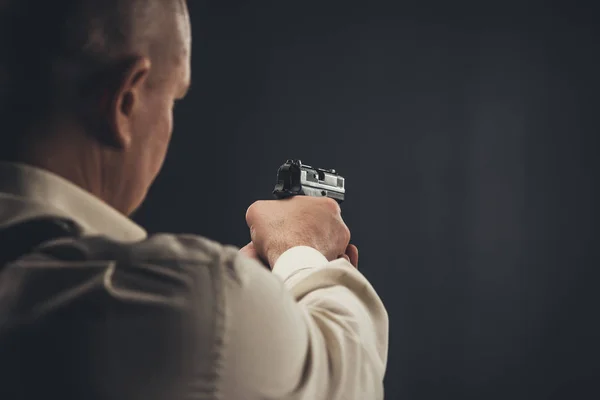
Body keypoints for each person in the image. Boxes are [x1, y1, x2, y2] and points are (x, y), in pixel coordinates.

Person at [0, 1, 388, 399]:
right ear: (126, 101)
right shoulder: (194, 301)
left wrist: (253, 307)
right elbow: (346, 377)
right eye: (173, 98)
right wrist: (302, 252)